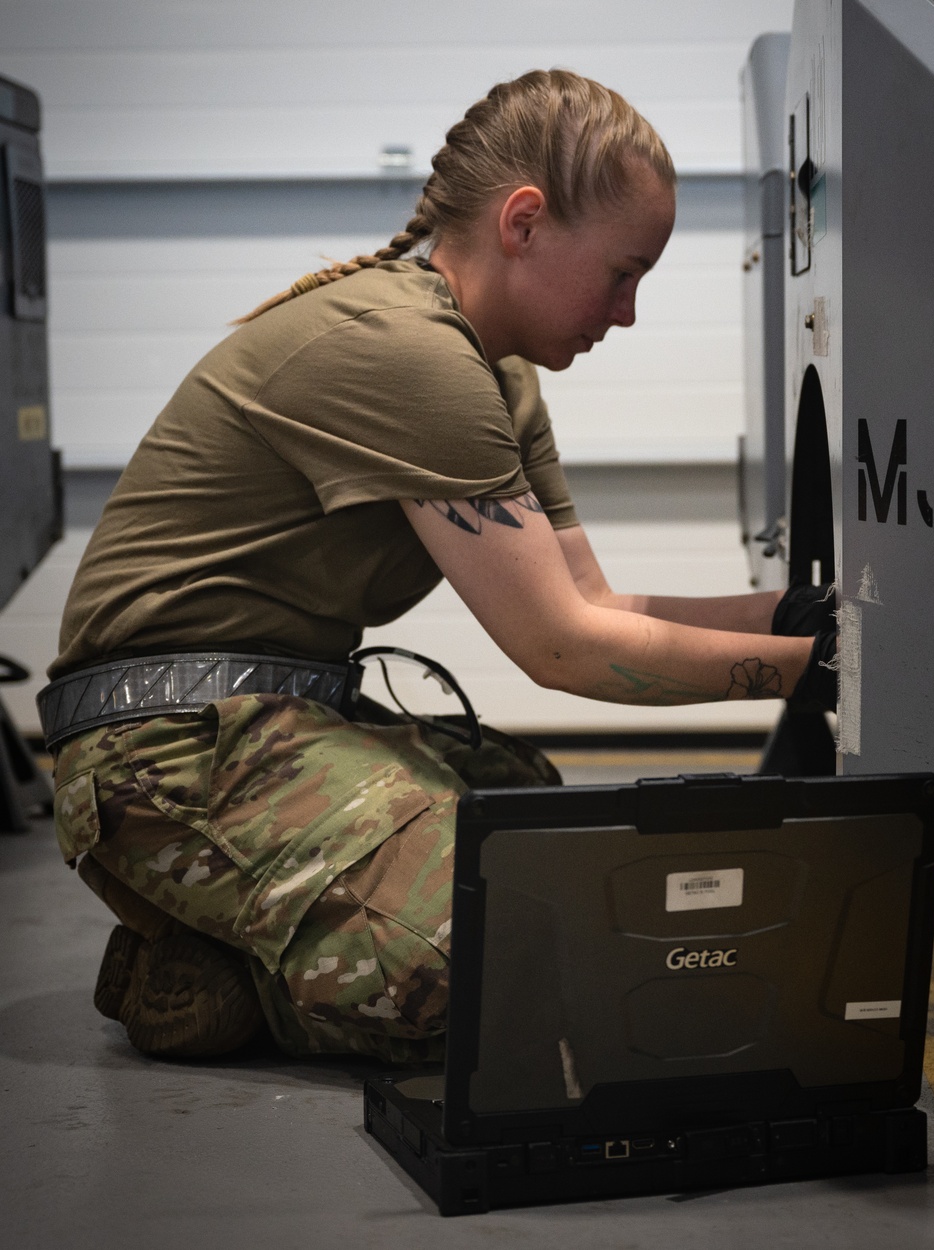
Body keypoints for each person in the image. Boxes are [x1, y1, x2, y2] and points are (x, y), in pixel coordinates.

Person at [40, 69, 836, 1064]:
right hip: (153, 755)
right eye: (622, 272)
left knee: (542, 827)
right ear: (525, 221)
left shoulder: (495, 368)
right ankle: (227, 977)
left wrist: (795, 615)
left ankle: (239, 935)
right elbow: (563, 648)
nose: (626, 312)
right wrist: (817, 670)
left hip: (268, 718)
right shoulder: (406, 353)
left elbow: (592, 601)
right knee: (505, 955)